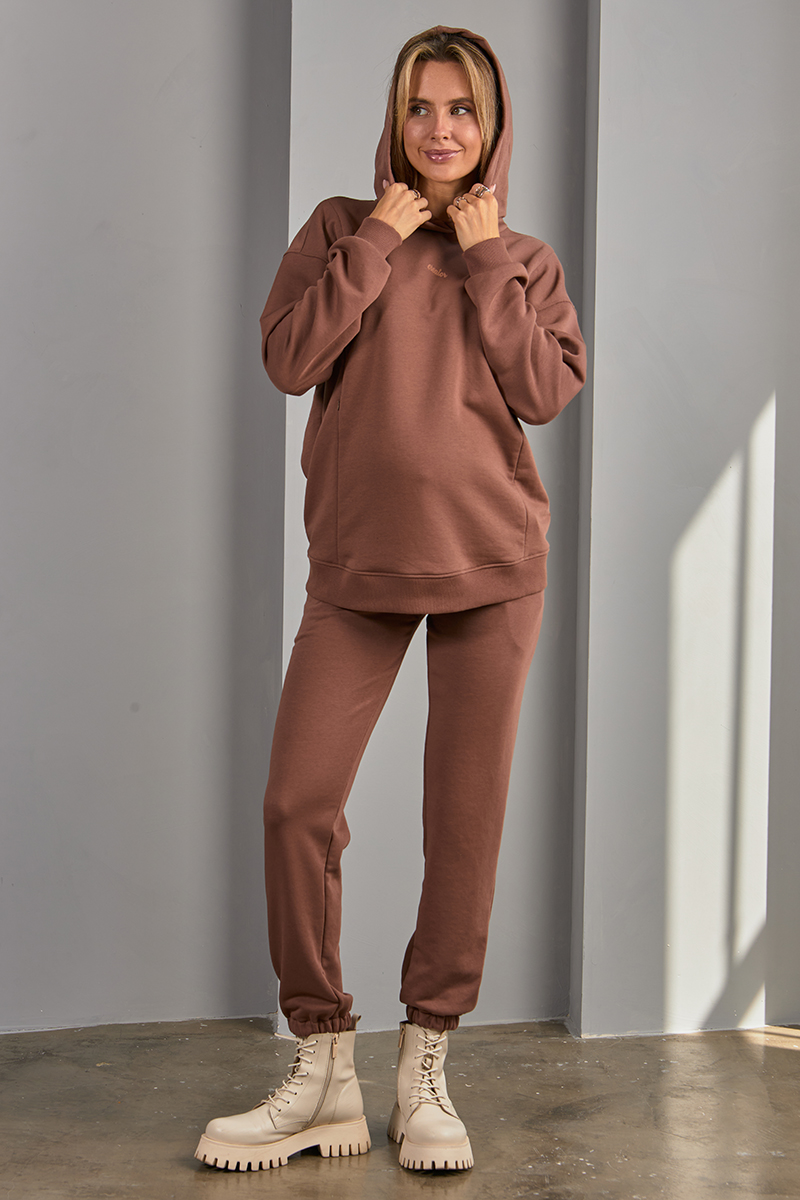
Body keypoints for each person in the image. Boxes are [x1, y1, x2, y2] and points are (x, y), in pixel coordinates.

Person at [195, 24, 585, 1175]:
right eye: (420, 107)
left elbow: (542, 390)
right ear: (394, 118)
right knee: (295, 805)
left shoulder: (521, 257)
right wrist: (376, 240)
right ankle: (322, 1065)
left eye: (461, 109)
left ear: (491, 124)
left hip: (491, 569)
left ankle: (425, 1068)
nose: (440, 129)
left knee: (459, 824)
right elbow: (288, 360)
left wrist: (484, 258)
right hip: (359, 568)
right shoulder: (338, 230)